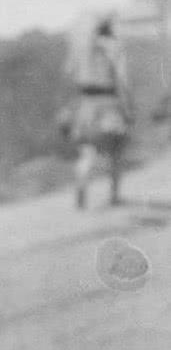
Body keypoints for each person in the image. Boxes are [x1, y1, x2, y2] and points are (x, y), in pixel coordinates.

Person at [59, 12, 135, 209]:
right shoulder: (115, 48)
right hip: (109, 104)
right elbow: (122, 81)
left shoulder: (82, 50)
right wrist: (128, 110)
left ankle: (81, 191)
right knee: (116, 150)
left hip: (86, 106)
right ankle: (114, 195)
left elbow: (69, 76)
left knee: (87, 153)